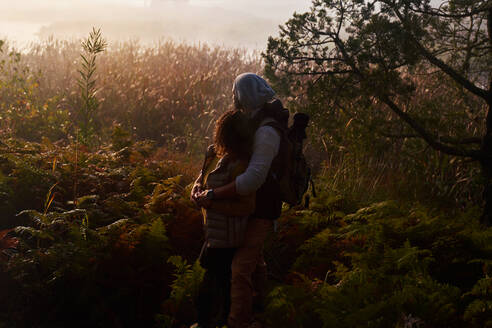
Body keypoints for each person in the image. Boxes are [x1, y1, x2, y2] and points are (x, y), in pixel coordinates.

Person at [194, 73, 283, 328]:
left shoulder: (266, 131)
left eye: (237, 94)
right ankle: (260, 308)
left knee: (240, 269)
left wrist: (213, 196)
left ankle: (238, 322)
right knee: (253, 262)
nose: (234, 99)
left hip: (262, 210)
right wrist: (199, 186)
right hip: (247, 208)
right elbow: (218, 160)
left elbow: (252, 180)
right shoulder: (250, 122)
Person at [192, 110, 256, 328]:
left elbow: (246, 207)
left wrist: (211, 202)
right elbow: (202, 179)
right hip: (213, 237)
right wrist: (196, 190)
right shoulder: (218, 157)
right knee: (209, 293)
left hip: (227, 241)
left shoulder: (242, 166)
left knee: (213, 296)